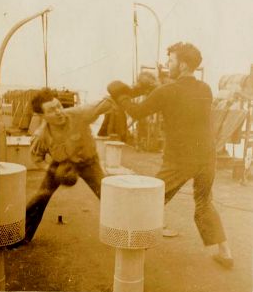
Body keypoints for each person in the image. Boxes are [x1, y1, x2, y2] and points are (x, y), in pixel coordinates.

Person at [107, 42, 234, 268]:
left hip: (179, 159)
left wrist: (120, 95)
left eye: (171, 61)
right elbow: (180, 99)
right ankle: (225, 253)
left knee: (153, 200)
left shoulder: (167, 91)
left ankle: (130, 258)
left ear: (183, 64)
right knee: (204, 203)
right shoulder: (205, 89)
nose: (168, 65)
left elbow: (137, 111)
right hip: (206, 157)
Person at [12, 88, 115, 246]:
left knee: (108, 194)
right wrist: (51, 170)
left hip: (88, 162)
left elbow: (107, 102)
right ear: (42, 116)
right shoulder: (41, 136)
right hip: (61, 163)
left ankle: (125, 231)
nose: (59, 112)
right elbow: (37, 158)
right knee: (40, 197)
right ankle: (20, 236)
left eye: (59, 106)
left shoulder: (79, 113)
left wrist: (119, 96)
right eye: (52, 110)